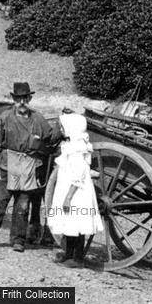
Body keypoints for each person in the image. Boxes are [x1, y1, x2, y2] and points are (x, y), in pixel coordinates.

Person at [0, 82, 60, 252]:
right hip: (7, 165)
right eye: (18, 98)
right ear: (14, 99)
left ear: (29, 98)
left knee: (22, 206)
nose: (22, 102)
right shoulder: (5, 118)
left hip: (28, 167)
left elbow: (49, 138)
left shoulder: (38, 119)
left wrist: (62, 128)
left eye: (25, 98)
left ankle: (18, 240)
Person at [47, 112, 103, 267]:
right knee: (69, 223)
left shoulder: (78, 149)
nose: (61, 130)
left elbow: (78, 175)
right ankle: (68, 254)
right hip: (70, 189)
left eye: (63, 127)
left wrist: (68, 197)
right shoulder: (72, 145)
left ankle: (77, 258)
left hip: (77, 192)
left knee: (77, 225)